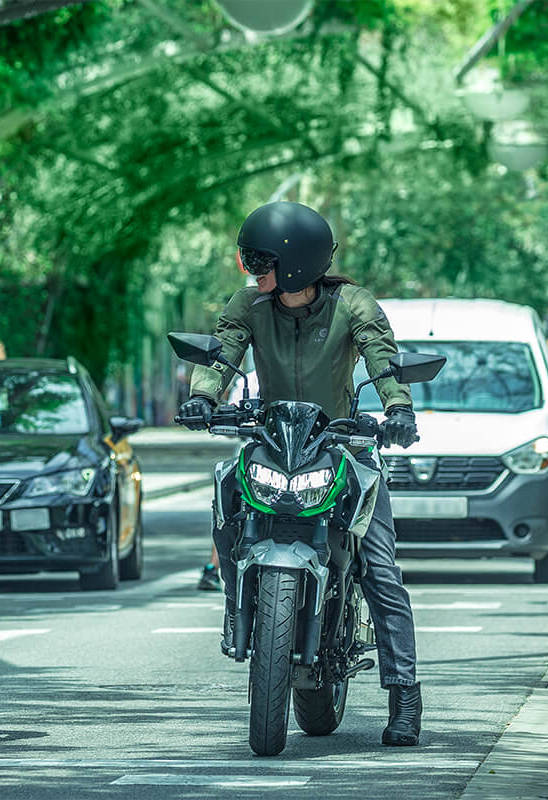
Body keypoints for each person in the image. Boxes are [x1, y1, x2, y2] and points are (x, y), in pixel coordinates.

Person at [177, 201, 423, 747]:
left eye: (259, 262)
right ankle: (235, 598)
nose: (251, 272)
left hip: (344, 446)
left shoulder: (354, 304)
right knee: (225, 495)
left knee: (380, 567)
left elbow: (381, 359)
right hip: (272, 442)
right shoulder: (249, 304)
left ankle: (404, 693)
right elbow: (222, 355)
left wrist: (398, 409)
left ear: (295, 263)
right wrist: (202, 398)